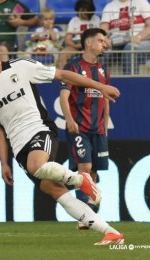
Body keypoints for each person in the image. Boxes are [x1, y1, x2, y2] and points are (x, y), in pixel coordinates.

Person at [0, 34, 124, 245]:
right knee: (55, 190)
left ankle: (81, 179)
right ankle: (111, 233)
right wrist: (3, 162)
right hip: (18, 147)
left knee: (36, 165)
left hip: (40, 129)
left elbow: (63, 74)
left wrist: (100, 87)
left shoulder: (20, 66)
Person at [59, 28, 110, 230]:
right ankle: (84, 216)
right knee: (85, 168)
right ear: (88, 43)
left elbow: (106, 99)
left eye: (104, 40)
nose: (104, 44)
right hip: (78, 128)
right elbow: (63, 96)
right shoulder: (73, 67)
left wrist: (105, 125)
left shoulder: (103, 70)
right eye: (100, 40)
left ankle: (90, 214)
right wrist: (69, 120)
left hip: (98, 129)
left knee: (93, 173)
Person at [100, 0, 150, 74]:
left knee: (129, 48)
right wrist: (105, 40)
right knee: (99, 51)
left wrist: (138, 37)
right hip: (117, 42)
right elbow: (103, 30)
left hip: (144, 40)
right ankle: (94, 84)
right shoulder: (109, 6)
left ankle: (131, 84)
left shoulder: (141, 1)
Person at [57, 0, 100, 69]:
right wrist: (75, 45)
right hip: (76, 44)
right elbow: (68, 39)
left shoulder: (96, 19)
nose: (82, 13)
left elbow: (99, 37)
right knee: (63, 54)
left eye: (85, 10)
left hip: (91, 45)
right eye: (81, 10)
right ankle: (63, 77)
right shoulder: (74, 20)